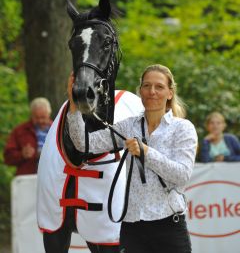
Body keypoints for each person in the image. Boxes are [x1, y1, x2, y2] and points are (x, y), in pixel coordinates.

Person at [67, 64, 198, 253]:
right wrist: (74, 106)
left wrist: (146, 152)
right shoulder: (128, 126)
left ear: (170, 93)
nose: (152, 91)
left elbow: (182, 175)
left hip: (169, 224)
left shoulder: (183, 128)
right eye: (146, 86)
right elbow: (85, 144)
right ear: (140, 91)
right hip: (132, 226)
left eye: (159, 87)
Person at [4, 97, 53, 175]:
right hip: (28, 179)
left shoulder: (58, 130)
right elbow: (7, 158)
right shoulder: (19, 131)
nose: (40, 121)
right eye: (36, 118)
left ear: (49, 114)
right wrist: (22, 154)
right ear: (31, 115)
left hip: (53, 178)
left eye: (43, 117)